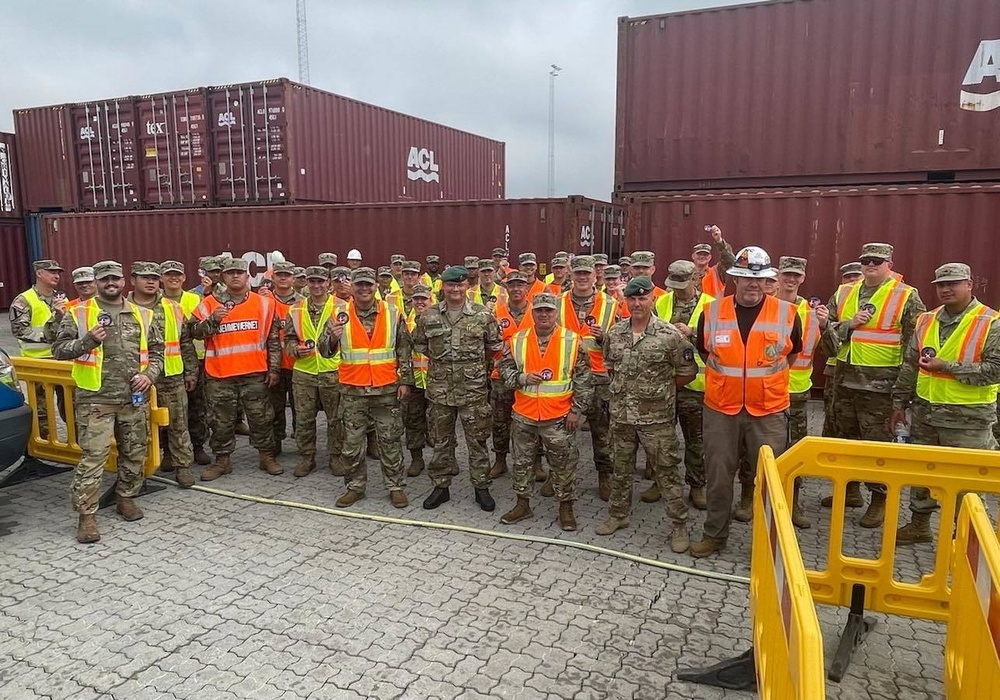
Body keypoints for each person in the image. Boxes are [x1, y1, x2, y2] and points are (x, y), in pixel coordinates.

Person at [690, 246, 802, 558]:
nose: (752, 283)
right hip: (721, 409)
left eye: (760, 278)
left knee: (771, 479)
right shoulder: (711, 313)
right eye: (745, 277)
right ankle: (714, 536)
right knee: (718, 475)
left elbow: (790, 355)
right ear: (734, 278)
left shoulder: (787, 314)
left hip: (768, 411)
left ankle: (770, 545)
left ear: (768, 281)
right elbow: (705, 352)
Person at [52, 260, 164, 544]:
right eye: (104, 280)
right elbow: (59, 349)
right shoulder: (79, 312)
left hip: (132, 398)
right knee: (93, 459)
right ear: (97, 283)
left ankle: (125, 498)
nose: (110, 283)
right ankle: (87, 516)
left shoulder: (142, 314)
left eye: (115, 278)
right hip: (96, 400)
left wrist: (149, 375)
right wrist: (87, 341)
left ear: (124, 281)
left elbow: (157, 352)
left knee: (134, 453)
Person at [892, 263, 1000, 543]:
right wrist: (899, 404)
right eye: (941, 284)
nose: (946, 289)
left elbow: (995, 370)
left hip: (968, 421)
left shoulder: (990, 322)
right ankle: (919, 525)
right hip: (926, 414)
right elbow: (911, 365)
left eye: (953, 283)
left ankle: (971, 538)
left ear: (970, 284)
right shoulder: (926, 320)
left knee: (968, 483)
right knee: (923, 475)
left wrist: (948, 366)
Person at [819, 243, 925, 528]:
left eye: (877, 261)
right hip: (844, 381)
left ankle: (879, 500)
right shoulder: (844, 292)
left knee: (877, 446)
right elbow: (825, 330)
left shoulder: (906, 296)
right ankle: (850, 491)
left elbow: (914, 348)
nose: (870, 265)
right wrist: (849, 325)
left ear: (889, 263)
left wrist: (903, 393)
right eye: (866, 260)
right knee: (845, 440)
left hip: (880, 386)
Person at [595, 277, 699, 553]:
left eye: (642, 298)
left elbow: (687, 372)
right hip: (622, 418)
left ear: (652, 298)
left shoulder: (669, 335)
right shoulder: (615, 333)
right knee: (621, 468)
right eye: (632, 299)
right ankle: (619, 515)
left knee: (666, 472)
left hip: (656, 420)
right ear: (626, 301)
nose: (637, 304)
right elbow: (610, 367)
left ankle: (679, 526)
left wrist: (659, 390)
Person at [318, 267, 414, 508]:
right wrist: (331, 338)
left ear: (375, 287)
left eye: (368, 285)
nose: (363, 289)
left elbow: (404, 349)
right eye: (359, 284)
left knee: (390, 441)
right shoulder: (338, 313)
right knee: (352, 442)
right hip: (353, 390)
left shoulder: (392, 312)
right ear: (352, 287)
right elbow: (323, 349)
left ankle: (395, 486)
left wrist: (405, 381)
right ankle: (355, 486)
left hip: (386, 389)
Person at [498, 292, 593, 531]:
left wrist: (576, 411)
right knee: (522, 462)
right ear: (533, 312)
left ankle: (566, 507)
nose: (544, 314)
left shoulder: (572, 341)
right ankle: (523, 504)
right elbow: (504, 371)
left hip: (559, 417)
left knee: (563, 464)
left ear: (556, 313)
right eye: (539, 310)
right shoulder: (518, 339)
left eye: (548, 310)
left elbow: (584, 380)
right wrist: (522, 377)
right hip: (524, 414)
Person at [411, 265, 503, 511]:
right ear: (443, 286)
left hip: (473, 392)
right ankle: (441, 487)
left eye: (460, 285)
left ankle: (481, 488)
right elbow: (420, 344)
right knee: (442, 442)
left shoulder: (482, 315)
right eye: (451, 285)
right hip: (440, 391)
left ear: (466, 287)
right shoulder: (429, 316)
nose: (455, 289)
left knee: (478, 441)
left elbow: (494, 346)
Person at [191, 257, 282, 481]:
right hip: (220, 374)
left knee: (261, 418)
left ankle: (266, 456)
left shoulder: (264, 303)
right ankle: (222, 460)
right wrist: (212, 320)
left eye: (239, 273)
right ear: (223, 277)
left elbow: (273, 339)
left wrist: (275, 369)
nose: (235, 276)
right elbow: (193, 332)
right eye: (230, 272)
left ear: (247, 276)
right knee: (220, 421)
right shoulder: (210, 303)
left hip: (254, 373)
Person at [644, 260, 714, 510]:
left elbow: (718, 342)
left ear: (695, 279)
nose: (677, 289)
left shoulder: (711, 305)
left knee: (695, 440)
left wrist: (692, 331)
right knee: (661, 439)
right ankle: (660, 482)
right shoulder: (662, 301)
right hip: (664, 382)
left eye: (682, 285)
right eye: (673, 285)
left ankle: (697, 485)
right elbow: (649, 333)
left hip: (696, 386)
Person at [127, 262, 199, 489]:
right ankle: (139, 471)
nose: (150, 282)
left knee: (178, 424)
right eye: (144, 277)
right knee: (138, 427)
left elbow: (185, 341)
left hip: (171, 375)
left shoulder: (172, 307)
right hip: (137, 379)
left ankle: (183, 467)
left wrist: (191, 371)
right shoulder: (122, 307)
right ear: (132, 280)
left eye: (154, 278)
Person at [557, 255, 616, 500]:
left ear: (595, 276)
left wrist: (605, 338)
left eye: (587, 274)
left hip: (599, 378)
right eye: (578, 273)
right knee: (560, 433)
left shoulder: (612, 304)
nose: (582, 278)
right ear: (571, 275)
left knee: (602, 432)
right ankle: (558, 476)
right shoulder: (557, 302)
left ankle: (605, 476)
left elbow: (624, 342)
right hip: (566, 376)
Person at [774, 256, 824, 529]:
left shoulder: (813, 312)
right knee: (756, 450)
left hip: (797, 393)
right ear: (778, 276)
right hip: (766, 391)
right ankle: (750, 498)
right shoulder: (765, 306)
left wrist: (829, 325)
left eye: (796, 275)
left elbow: (831, 345)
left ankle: (793, 503)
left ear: (802, 278)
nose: (790, 280)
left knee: (794, 449)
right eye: (786, 275)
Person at [285, 266, 347, 477]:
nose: (316, 285)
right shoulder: (296, 309)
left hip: (333, 371)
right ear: (306, 283)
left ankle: (336, 456)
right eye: (312, 281)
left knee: (336, 419)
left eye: (320, 281)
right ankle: (307, 456)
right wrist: (295, 349)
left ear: (329, 282)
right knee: (304, 418)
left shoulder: (342, 307)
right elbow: (288, 340)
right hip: (304, 372)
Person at [160, 260, 212, 467]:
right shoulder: (155, 302)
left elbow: (204, 326)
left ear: (183, 278)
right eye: (169, 275)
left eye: (177, 275)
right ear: (162, 278)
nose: (173, 278)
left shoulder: (195, 298)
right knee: (167, 412)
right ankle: (168, 452)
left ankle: (198, 447)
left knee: (197, 408)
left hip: (196, 361)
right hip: (165, 364)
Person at [10, 259, 68, 437]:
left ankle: (74, 440)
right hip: (38, 363)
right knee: (42, 408)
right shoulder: (24, 300)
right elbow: (19, 330)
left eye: (58, 272)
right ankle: (44, 442)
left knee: (68, 404)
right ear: (39, 273)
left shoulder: (61, 298)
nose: (56, 275)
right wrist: (47, 336)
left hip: (61, 359)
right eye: (51, 272)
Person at [490, 270, 535, 478]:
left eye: (520, 285)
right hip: (501, 376)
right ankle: (500, 460)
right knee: (500, 420)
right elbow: (487, 342)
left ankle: (536, 463)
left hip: (530, 375)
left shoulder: (538, 312)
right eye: (512, 285)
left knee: (532, 422)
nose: (516, 289)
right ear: (506, 289)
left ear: (527, 288)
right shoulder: (495, 313)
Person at [260, 260, 302, 455]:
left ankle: (303, 447)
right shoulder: (264, 302)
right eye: (279, 275)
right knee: (274, 409)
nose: (283, 278)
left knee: (301, 410)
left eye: (287, 275)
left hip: (299, 365)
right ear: (273, 277)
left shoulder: (303, 302)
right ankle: (275, 444)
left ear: (293, 278)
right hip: (273, 365)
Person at [821, 262, 863, 443]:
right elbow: (824, 328)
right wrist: (850, 324)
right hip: (837, 370)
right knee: (833, 420)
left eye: (856, 275)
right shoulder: (839, 297)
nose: (852, 280)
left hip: (871, 374)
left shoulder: (883, 299)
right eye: (848, 277)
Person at [404, 284, 433, 477]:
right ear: (411, 301)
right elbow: (402, 352)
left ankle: (446, 459)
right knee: (413, 421)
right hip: (414, 381)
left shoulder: (439, 321)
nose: (420, 302)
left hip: (435, 380)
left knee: (440, 423)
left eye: (424, 299)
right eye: (417, 299)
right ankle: (417, 459)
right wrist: (404, 381)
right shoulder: (405, 323)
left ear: (431, 301)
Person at [44, 266, 97, 342]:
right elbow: (50, 336)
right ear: (75, 285)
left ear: (96, 282)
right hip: (78, 351)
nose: (84, 285)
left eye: (88, 282)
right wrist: (59, 316)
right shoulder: (68, 307)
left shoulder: (107, 304)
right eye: (80, 283)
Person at [692, 226, 737, 298]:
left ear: (710, 257)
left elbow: (730, 261)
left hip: (713, 309)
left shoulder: (717, 272)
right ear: (693, 256)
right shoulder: (686, 274)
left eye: (705, 254)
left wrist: (719, 241)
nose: (702, 257)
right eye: (699, 254)